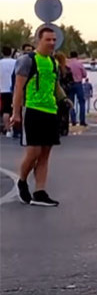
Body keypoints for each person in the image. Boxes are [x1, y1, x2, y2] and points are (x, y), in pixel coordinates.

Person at [11, 27, 72, 206]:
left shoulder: (53, 62)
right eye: (48, 40)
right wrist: (16, 113)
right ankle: (22, 181)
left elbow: (56, 85)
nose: (52, 43)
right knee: (34, 152)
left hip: (50, 111)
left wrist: (64, 99)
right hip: (33, 109)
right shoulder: (28, 61)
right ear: (39, 40)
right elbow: (18, 88)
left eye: (54, 40)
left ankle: (40, 191)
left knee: (45, 153)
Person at [67, 51, 88, 126]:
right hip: (78, 84)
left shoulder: (67, 64)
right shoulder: (79, 63)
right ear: (77, 56)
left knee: (70, 103)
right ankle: (82, 120)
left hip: (69, 84)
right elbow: (85, 74)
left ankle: (73, 120)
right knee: (82, 102)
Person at [0, 46, 17, 137]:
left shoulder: (0, 63)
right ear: (11, 52)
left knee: (5, 110)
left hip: (3, 89)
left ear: (2, 53)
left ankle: (7, 129)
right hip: (15, 89)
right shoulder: (15, 62)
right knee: (15, 110)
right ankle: (15, 128)